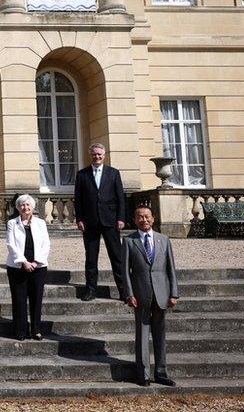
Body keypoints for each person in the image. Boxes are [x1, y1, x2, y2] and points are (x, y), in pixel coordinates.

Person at [120, 205, 179, 387]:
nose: (144, 220)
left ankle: (161, 373)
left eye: (147, 217)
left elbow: (171, 269)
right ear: (135, 220)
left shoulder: (164, 240)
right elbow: (125, 271)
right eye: (140, 217)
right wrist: (129, 294)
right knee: (142, 335)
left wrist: (174, 294)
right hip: (140, 294)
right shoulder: (129, 241)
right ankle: (143, 374)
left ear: (153, 219)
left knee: (160, 336)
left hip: (162, 293)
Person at [73, 142, 126, 301]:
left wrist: (121, 218)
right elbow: (78, 200)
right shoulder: (82, 175)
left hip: (110, 220)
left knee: (117, 257)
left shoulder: (114, 173)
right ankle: (90, 290)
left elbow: (120, 198)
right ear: (91, 155)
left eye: (99, 154)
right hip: (89, 221)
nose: (97, 157)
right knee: (91, 258)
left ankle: (123, 291)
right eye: (94, 154)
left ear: (104, 155)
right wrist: (79, 219)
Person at [5, 194, 50, 341]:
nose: (25, 207)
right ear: (18, 208)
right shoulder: (12, 223)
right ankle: (20, 330)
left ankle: (36, 329)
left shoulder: (41, 223)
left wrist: (37, 262)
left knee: (36, 299)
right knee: (19, 299)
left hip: (38, 266)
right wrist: (23, 262)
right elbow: (10, 244)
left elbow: (46, 244)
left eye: (27, 205)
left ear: (32, 207)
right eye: (22, 205)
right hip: (17, 267)